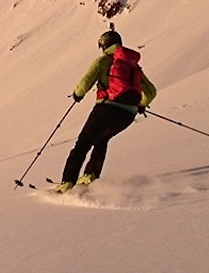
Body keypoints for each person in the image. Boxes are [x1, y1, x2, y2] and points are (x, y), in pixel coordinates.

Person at [57, 28, 157, 192]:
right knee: (102, 139)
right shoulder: (132, 66)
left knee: (83, 143)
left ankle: (67, 182)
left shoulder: (103, 61)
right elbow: (151, 91)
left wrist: (77, 94)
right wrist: (140, 105)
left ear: (103, 45)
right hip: (127, 115)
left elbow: (86, 81)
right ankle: (91, 175)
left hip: (106, 108)